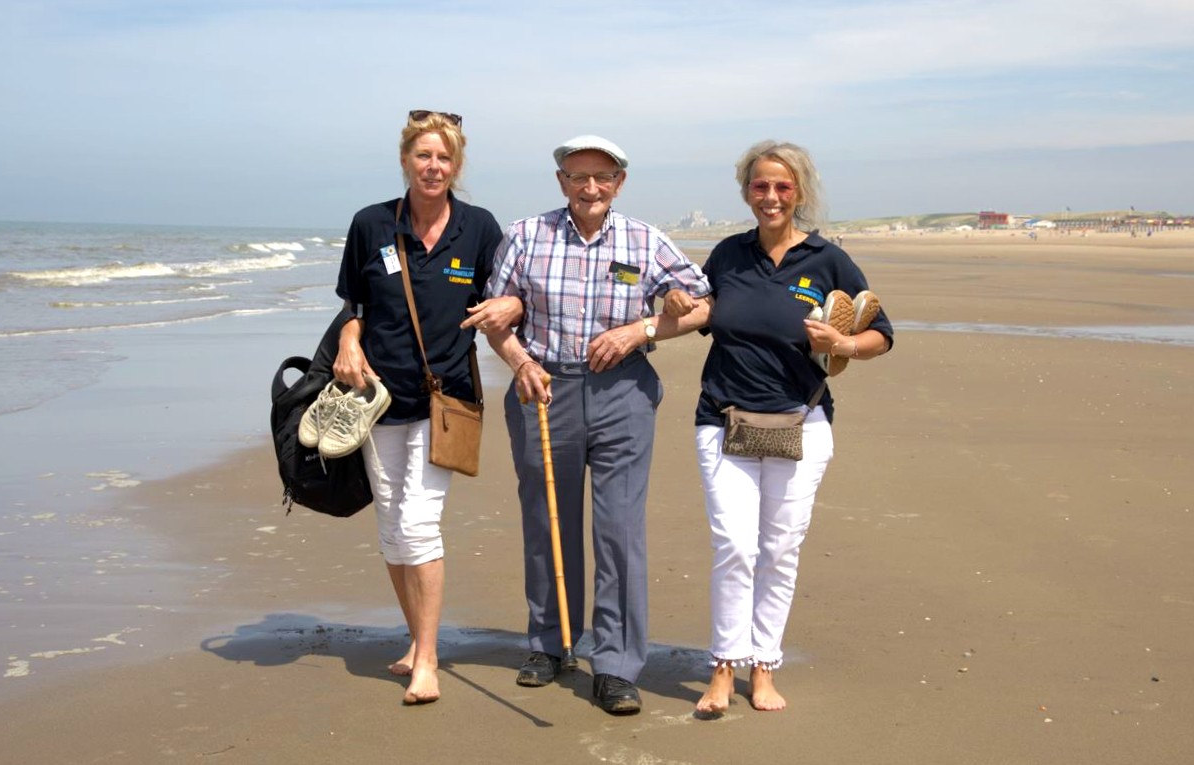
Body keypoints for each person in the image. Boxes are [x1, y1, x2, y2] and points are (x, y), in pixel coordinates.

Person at [477, 135, 711, 715]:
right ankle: (551, 645)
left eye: (602, 177)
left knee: (618, 530)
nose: (590, 188)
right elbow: (493, 315)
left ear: (619, 182)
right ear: (561, 181)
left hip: (623, 392)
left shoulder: (644, 239)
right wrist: (521, 364)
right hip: (543, 388)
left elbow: (702, 303)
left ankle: (616, 664)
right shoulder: (526, 236)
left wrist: (643, 330)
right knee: (546, 520)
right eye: (578, 177)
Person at [691, 140, 893, 716]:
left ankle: (764, 669)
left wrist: (845, 343)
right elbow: (702, 313)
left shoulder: (828, 260)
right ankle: (722, 670)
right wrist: (665, 316)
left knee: (779, 549)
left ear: (798, 192)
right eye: (760, 186)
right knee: (733, 546)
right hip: (722, 420)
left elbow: (884, 332)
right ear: (746, 191)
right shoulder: (727, 255)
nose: (771, 196)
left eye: (782, 187)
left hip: (802, 421)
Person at [333, 109, 520, 705]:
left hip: (447, 403)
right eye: (423, 155)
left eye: (443, 157)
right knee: (391, 527)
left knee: (419, 524)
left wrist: (514, 325)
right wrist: (347, 337)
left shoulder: (480, 228)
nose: (433, 166)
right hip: (376, 400)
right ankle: (416, 639)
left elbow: (509, 297)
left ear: (457, 166)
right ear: (405, 160)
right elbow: (353, 303)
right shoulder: (371, 224)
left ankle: (429, 661)